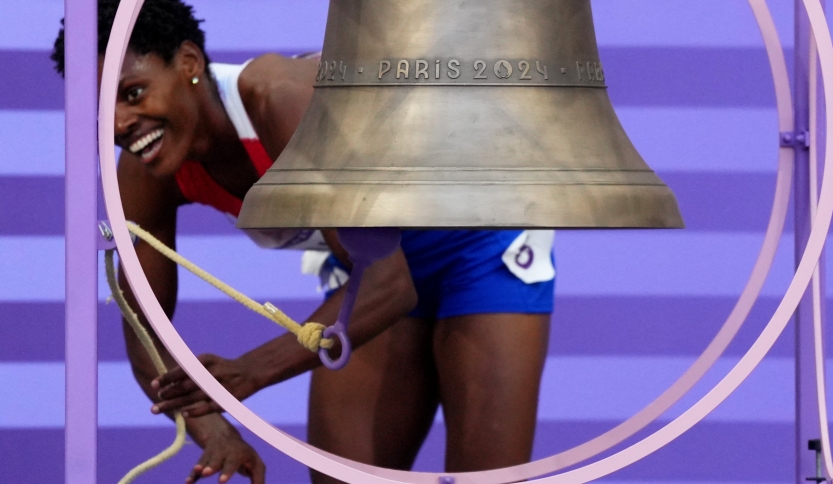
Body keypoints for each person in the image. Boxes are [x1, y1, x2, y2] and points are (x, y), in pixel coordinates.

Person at [52, 1, 555, 483]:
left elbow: (390, 286)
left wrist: (253, 371)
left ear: (188, 63)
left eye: (133, 93)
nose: (118, 123)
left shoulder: (281, 99)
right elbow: (146, 331)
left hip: (478, 237)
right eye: (98, 110)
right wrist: (217, 433)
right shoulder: (145, 173)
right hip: (371, 268)